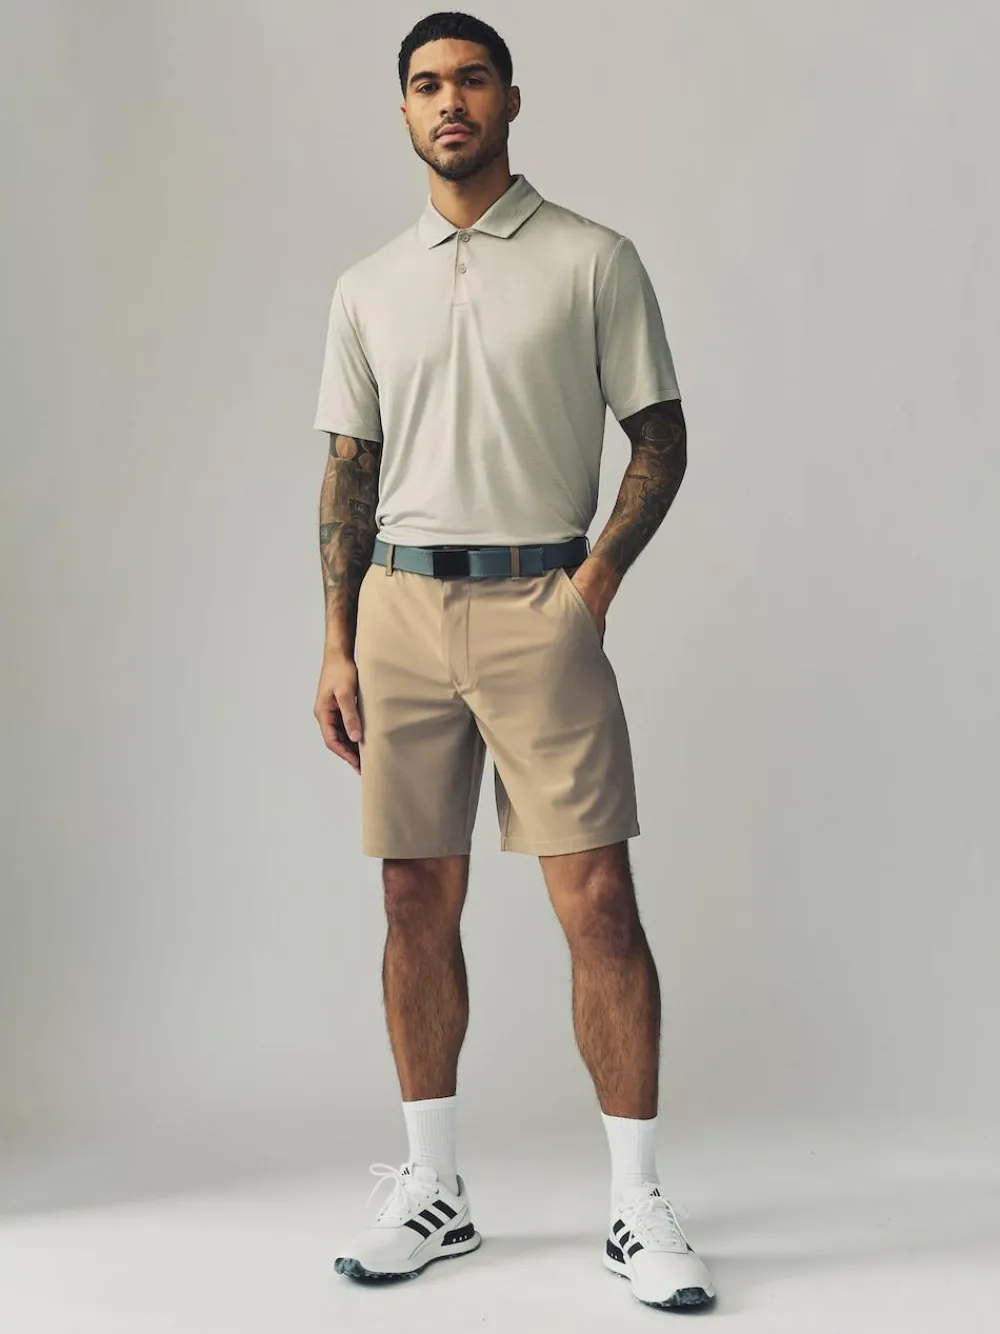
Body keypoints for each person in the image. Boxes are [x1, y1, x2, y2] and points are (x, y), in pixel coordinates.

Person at [311, 10, 715, 1312]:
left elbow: (661, 436)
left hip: (542, 600)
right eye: (427, 84)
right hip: (400, 609)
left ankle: (637, 1205)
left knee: (597, 901)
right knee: (412, 900)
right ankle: (434, 1188)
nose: (451, 101)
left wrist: (592, 585)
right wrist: (336, 641)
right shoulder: (368, 285)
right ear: (404, 109)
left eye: (472, 79)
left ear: (511, 99)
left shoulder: (594, 259)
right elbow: (348, 471)